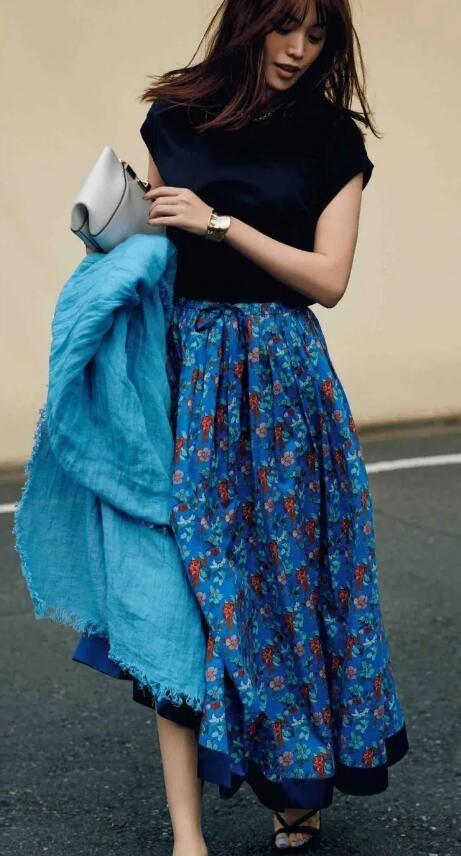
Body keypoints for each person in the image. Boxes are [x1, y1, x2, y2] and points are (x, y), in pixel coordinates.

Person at [84, 1, 409, 853]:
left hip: (282, 385)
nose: (298, 49)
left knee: (292, 589)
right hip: (184, 375)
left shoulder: (332, 139)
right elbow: (149, 254)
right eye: (283, 26)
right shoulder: (174, 118)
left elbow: (328, 279)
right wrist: (109, 234)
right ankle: (187, 835)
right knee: (181, 596)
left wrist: (219, 223)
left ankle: (296, 782)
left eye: (316, 35)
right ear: (248, 21)